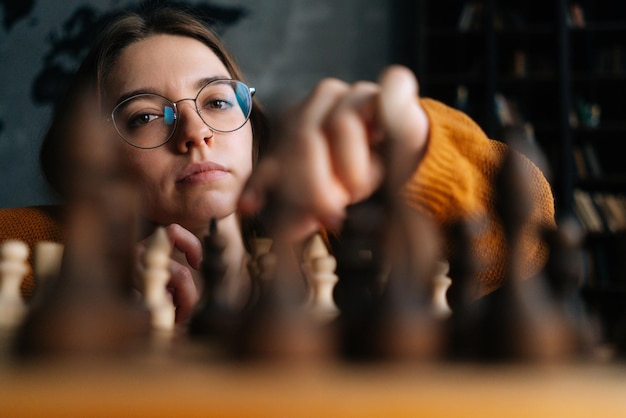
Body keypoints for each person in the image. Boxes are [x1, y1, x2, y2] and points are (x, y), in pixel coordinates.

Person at [38, 6, 555, 324]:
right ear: (95, 156)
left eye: (217, 102)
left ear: (253, 129)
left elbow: (526, 237)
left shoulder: (348, 246)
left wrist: (415, 148)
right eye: (146, 116)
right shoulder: (51, 256)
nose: (195, 132)